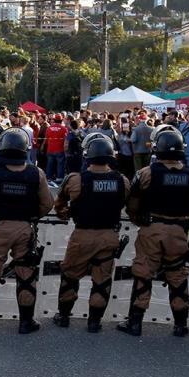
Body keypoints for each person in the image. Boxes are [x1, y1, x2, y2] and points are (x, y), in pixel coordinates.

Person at [119, 128, 189, 337]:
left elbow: (132, 204)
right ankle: (181, 325)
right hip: (178, 231)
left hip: (152, 229)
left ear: (157, 147)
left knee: (143, 274)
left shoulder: (146, 173)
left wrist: (140, 220)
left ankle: (135, 322)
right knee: (177, 276)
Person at [0, 128, 53, 334]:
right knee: (26, 274)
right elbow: (47, 204)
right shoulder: (37, 173)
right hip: (25, 229)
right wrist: (32, 216)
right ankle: (26, 322)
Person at [52, 135, 130, 333]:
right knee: (102, 280)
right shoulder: (122, 180)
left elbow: (59, 205)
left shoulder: (75, 179)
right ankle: (94, 322)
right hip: (109, 236)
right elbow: (132, 206)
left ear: (87, 154)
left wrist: (66, 215)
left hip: (82, 235)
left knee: (70, 276)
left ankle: (63, 316)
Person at [44, 114, 68, 183]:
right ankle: (59, 178)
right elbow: (66, 140)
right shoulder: (64, 129)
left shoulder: (49, 128)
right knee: (60, 164)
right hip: (60, 150)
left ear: (54, 120)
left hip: (50, 149)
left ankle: (48, 178)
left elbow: (46, 138)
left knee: (49, 164)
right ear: (61, 120)